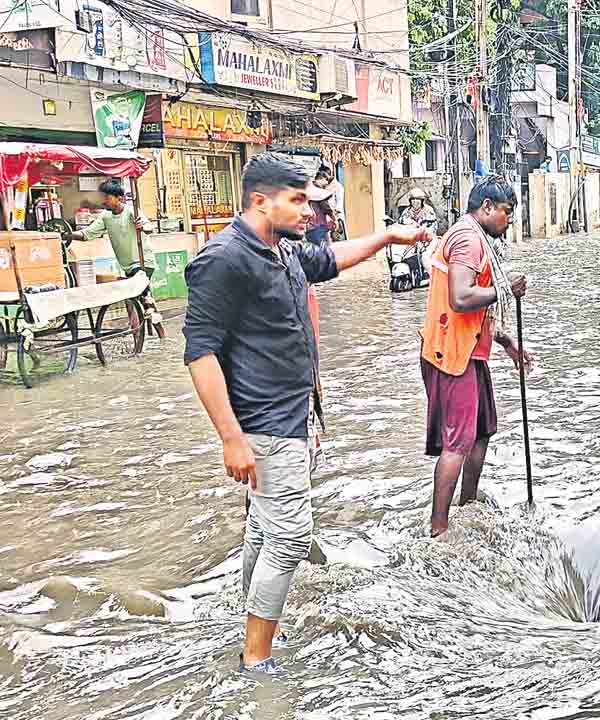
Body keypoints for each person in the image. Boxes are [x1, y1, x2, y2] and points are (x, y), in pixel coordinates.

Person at [183, 153, 428, 674]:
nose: (308, 212)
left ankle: (249, 620)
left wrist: (387, 238)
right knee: (291, 535)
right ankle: (256, 658)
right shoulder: (224, 258)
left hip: (293, 416)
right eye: (297, 201)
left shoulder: (285, 250)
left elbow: (330, 259)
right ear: (259, 200)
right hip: (262, 422)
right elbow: (200, 353)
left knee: (264, 530)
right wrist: (231, 438)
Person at [420, 175, 531, 538]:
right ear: (486, 208)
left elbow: (474, 312)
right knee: (457, 443)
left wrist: (505, 341)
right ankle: (439, 529)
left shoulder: (478, 237)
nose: (509, 219)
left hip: (471, 351)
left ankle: (467, 505)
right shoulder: (468, 239)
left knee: (481, 433)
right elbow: (461, 298)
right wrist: (504, 289)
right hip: (452, 354)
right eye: (506, 212)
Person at [65, 179, 162, 327]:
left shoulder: (131, 212)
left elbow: (149, 227)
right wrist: (67, 235)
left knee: (138, 289)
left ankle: (148, 312)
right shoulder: (105, 216)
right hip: (126, 265)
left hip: (143, 261)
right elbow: (87, 234)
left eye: (107, 198)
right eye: (103, 197)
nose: (104, 201)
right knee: (135, 298)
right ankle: (147, 326)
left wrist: (143, 226)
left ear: (119, 198)